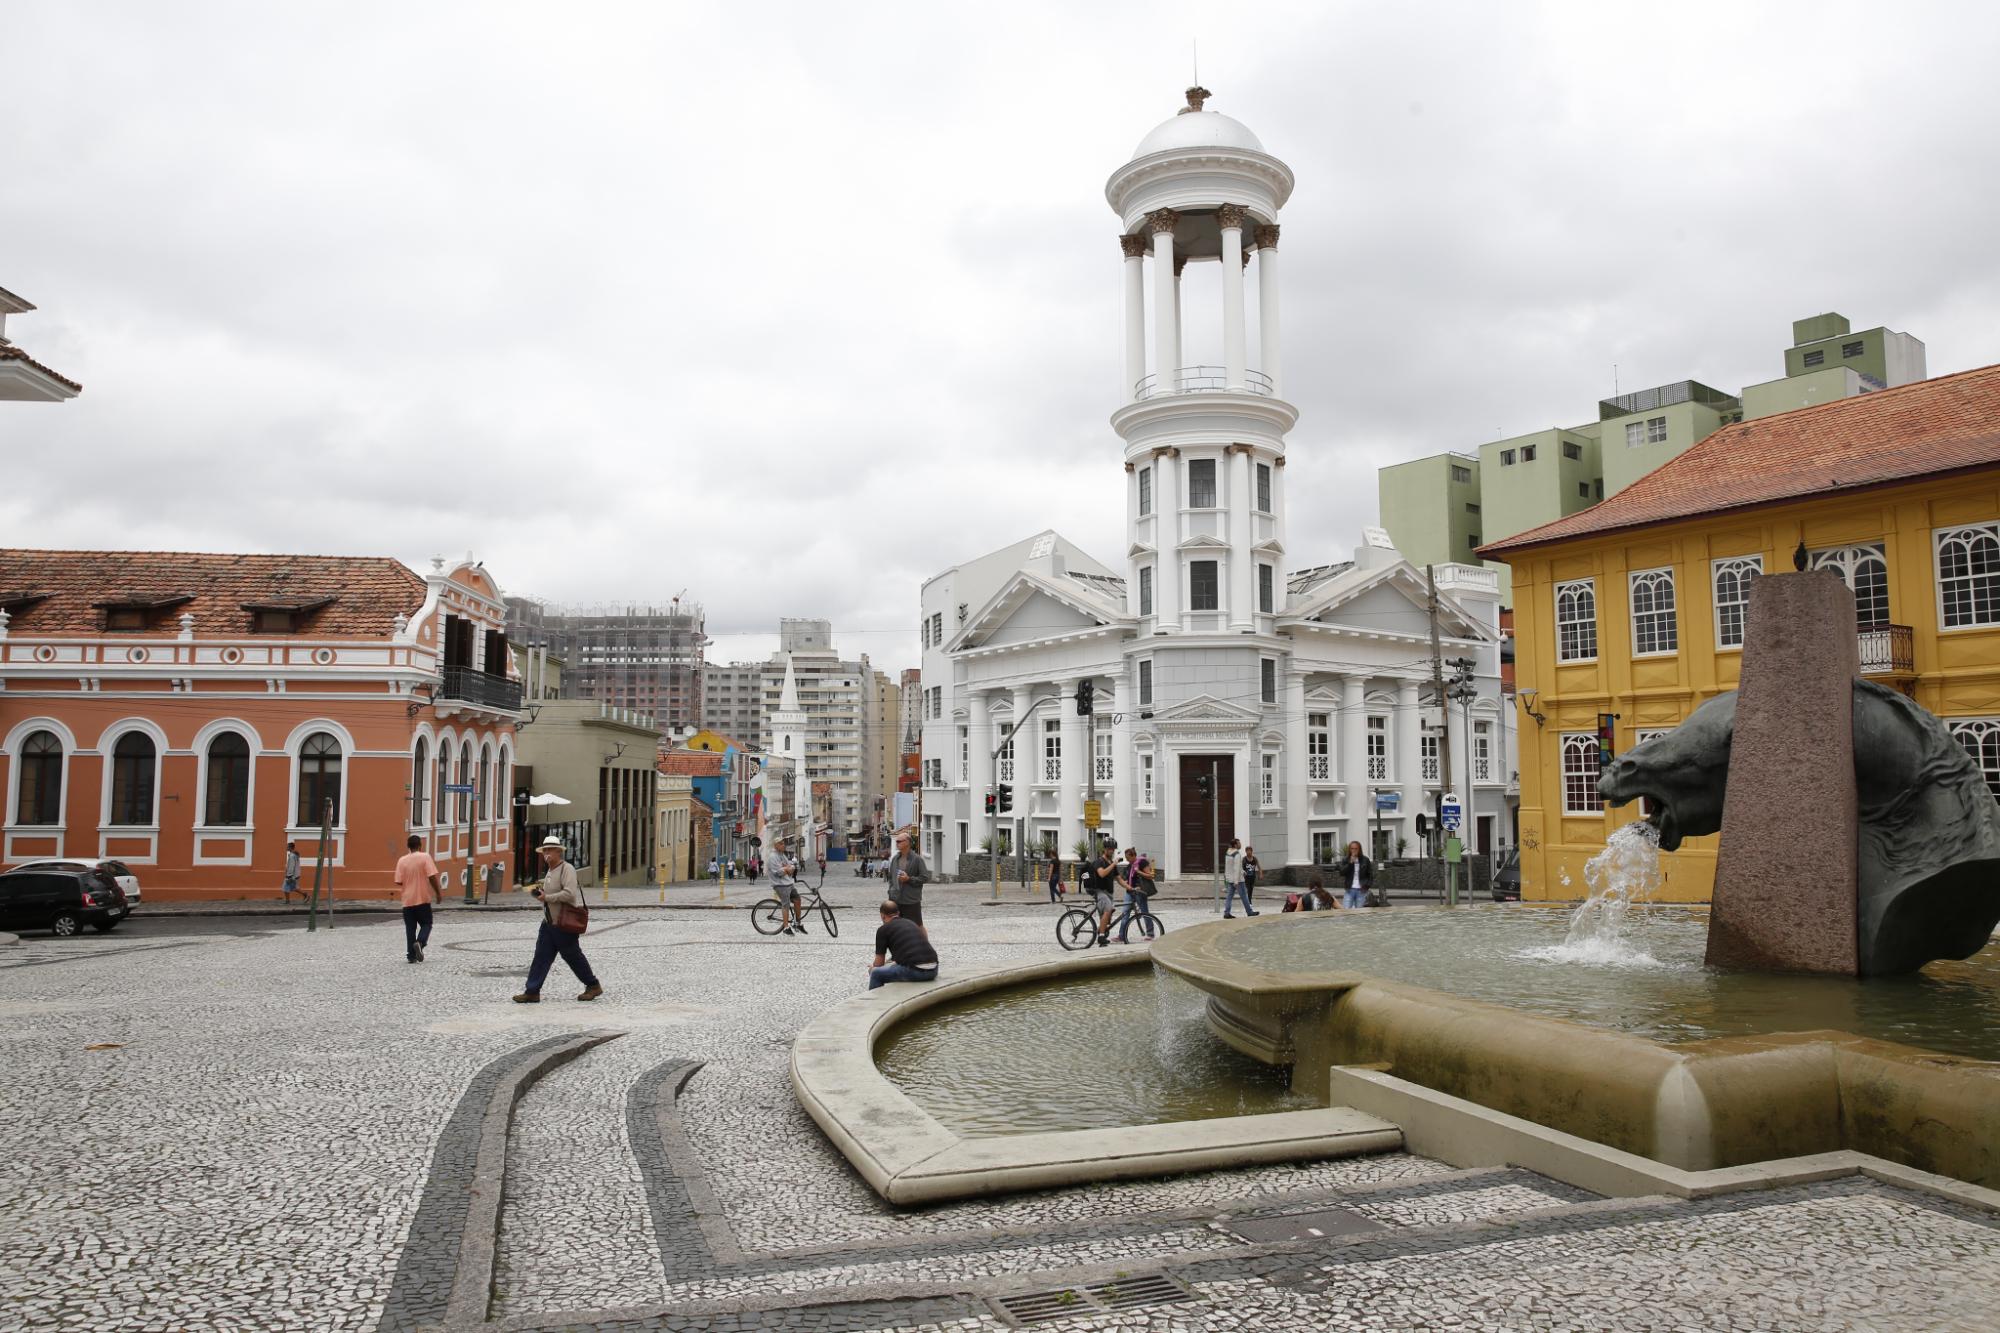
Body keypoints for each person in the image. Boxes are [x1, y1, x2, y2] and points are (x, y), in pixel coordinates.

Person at [514, 835, 603, 1003]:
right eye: (544, 850)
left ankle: (593, 985)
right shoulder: (550, 870)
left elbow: (569, 894)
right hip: (549, 922)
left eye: (549, 850)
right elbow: (551, 893)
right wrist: (541, 893)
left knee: (573, 957)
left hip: (563, 923)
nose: (546, 853)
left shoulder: (566, 869)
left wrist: (547, 897)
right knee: (541, 957)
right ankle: (532, 991)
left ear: (558, 852)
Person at [393, 834, 443, 962]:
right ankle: (420, 943)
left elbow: (398, 881)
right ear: (420, 845)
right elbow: (432, 876)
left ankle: (411, 956)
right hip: (422, 898)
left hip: (407, 900)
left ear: (408, 846)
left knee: (410, 928)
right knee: (427, 923)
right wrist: (438, 892)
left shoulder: (401, 860)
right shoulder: (425, 857)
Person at [867, 899, 939, 989]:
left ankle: (876, 1002)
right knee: (892, 967)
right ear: (898, 913)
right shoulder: (911, 923)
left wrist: (872, 969)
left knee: (876, 974)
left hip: (916, 971)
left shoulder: (883, 929)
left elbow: (879, 963)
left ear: (882, 916)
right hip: (933, 969)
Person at [883, 830, 930, 931]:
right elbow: (891, 877)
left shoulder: (917, 859)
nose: (897, 843)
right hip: (896, 899)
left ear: (907, 842)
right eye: (896, 841)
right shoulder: (895, 859)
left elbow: (925, 877)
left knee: (917, 926)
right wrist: (891, 891)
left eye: (899, 841)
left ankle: (924, 945)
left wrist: (909, 879)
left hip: (911, 900)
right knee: (898, 926)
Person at [1113, 847, 1157, 943]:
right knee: (1125, 913)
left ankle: (1150, 934)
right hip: (1130, 892)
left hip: (1139, 892)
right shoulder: (1130, 865)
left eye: (1128, 857)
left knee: (1144, 912)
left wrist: (1139, 872)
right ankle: (1121, 936)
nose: (1127, 859)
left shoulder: (1142, 862)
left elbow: (1150, 875)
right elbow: (1125, 878)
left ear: (1133, 856)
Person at [768, 837, 803, 935]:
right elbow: (777, 872)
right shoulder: (772, 857)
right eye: (781, 843)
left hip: (788, 882)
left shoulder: (782, 855)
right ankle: (785, 927)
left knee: (797, 899)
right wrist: (786, 869)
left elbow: (791, 865)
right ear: (776, 845)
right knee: (785, 904)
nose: (784, 845)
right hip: (780, 884)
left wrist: (788, 868)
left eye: (784, 843)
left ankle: (797, 922)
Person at [1089, 838, 1118, 945]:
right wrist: (1113, 864)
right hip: (1099, 891)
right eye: (1110, 849)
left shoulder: (1111, 863)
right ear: (1105, 849)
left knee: (1108, 913)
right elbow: (1102, 874)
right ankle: (1101, 936)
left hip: (1109, 892)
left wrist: (1130, 887)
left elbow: (1119, 879)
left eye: (1113, 849)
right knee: (1108, 909)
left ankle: (1101, 931)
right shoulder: (1099, 862)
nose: (1112, 851)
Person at [1222, 838, 1257, 918]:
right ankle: (1249, 912)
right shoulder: (1237, 854)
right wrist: (1236, 881)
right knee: (1244, 895)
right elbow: (1236, 868)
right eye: (1239, 843)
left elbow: (1230, 866)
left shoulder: (1228, 852)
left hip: (1230, 879)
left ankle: (1226, 913)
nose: (1240, 844)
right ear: (1235, 845)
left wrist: (1242, 872)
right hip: (1238, 880)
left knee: (1229, 897)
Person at [1337, 841, 1374, 910]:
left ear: (1359, 849)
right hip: (1349, 890)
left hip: (1361, 890)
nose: (1354, 850)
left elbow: (1370, 874)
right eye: (1352, 848)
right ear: (1349, 849)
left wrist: (1367, 886)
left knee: (1359, 912)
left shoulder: (1365, 860)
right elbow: (1341, 872)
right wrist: (1350, 863)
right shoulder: (1346, 859)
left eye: (1356, 848)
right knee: (1346, 911)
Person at [1242, 845, 1261, 910]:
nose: (1249, 852)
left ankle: (1249, 901)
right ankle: (1248, 902)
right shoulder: (1244, 859)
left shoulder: (1254, 859)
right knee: (1247, 889)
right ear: (1246, 851)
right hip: (1246, 877)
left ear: (1252, 851)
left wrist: (1260, 874)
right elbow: (1241, 868)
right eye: (1247, 851)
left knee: (1251, 889)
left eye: (1250, 851)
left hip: (1252, 876)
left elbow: (1259, 866)